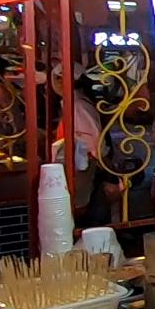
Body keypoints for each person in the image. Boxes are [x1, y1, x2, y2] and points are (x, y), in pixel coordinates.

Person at [50, 62, 104, 220]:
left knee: (77, 208)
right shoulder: (70, 104)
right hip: (73, 164)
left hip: (80, 166)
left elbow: (94, 140)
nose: (58, 83)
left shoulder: (78, 105)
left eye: (61, 79)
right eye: (57, 79)